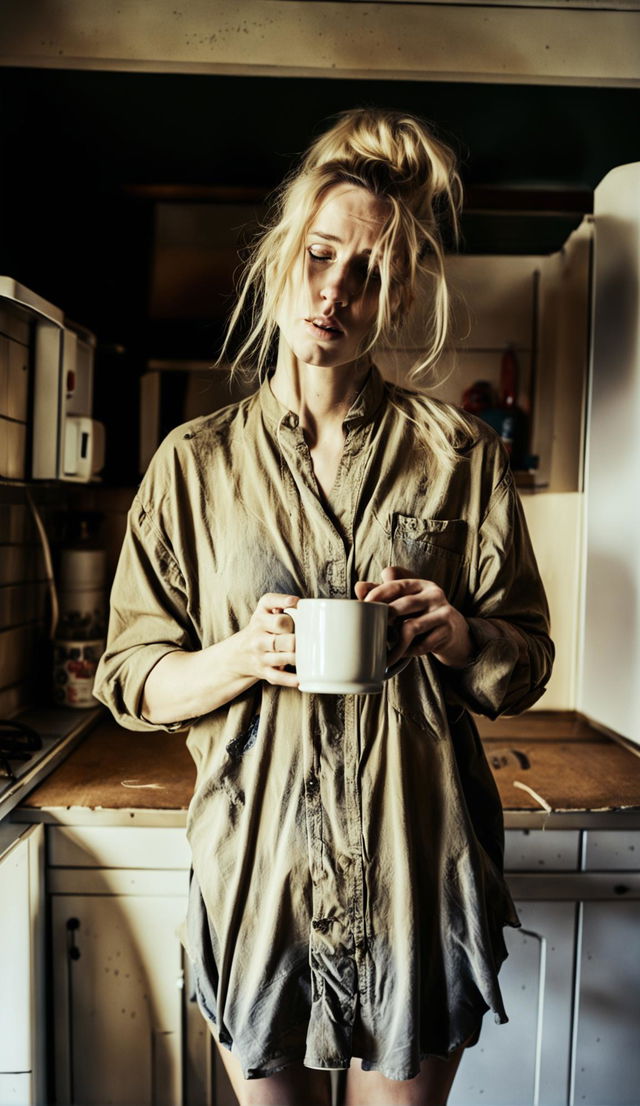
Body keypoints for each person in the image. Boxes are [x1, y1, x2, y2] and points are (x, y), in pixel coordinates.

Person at [93, 107, 554, 1106]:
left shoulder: (457, 456)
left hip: (415, 865)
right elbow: (130, 675)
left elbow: (525, 660)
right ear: (280, 258)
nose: (336, 288)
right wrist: (241, 655)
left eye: (369, 273)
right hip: (260, 877)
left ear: (396, 300)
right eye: (321, 253)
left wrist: (458, 632)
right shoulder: (194, 464)